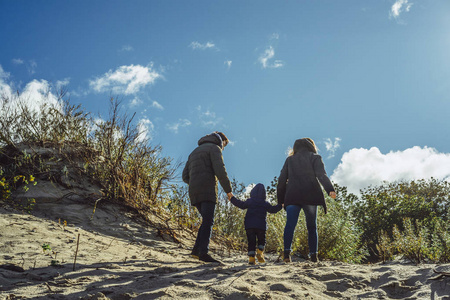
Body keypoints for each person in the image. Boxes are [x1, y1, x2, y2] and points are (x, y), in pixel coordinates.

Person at [277, 138, 336, 263]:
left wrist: (281, 199)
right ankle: (314, 256)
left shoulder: (290, 160)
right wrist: (330, 189)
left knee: (290, 224)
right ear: (311, 146)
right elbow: (321, 175)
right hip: (310, 195)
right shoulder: (315, 157)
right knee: (311, 227)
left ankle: (286, 254)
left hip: (292, 195)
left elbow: (281, 180)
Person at [182, 131, 233, 263]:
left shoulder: (194, 152)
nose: (223, 148)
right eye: (224, 145)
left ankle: (195, 251)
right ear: (221, 142)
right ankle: (203, 253)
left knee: (205, 220)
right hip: (208, 190)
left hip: (194, 191)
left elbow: (185, 176)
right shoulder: (214, 149)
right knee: (208, 221)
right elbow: (220, 170)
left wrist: (195, 182)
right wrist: (228, 190)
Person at [228, 183, 282, 265]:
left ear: (252, 192)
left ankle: (251, 259)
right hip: (261, 226)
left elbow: (241, 204)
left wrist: (232, 199)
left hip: (249, 225)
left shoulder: (250, 201)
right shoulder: (265, 203)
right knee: (262, 240)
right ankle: (260, 252)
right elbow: (272, 209)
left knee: (251, 242)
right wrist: (280, 205)